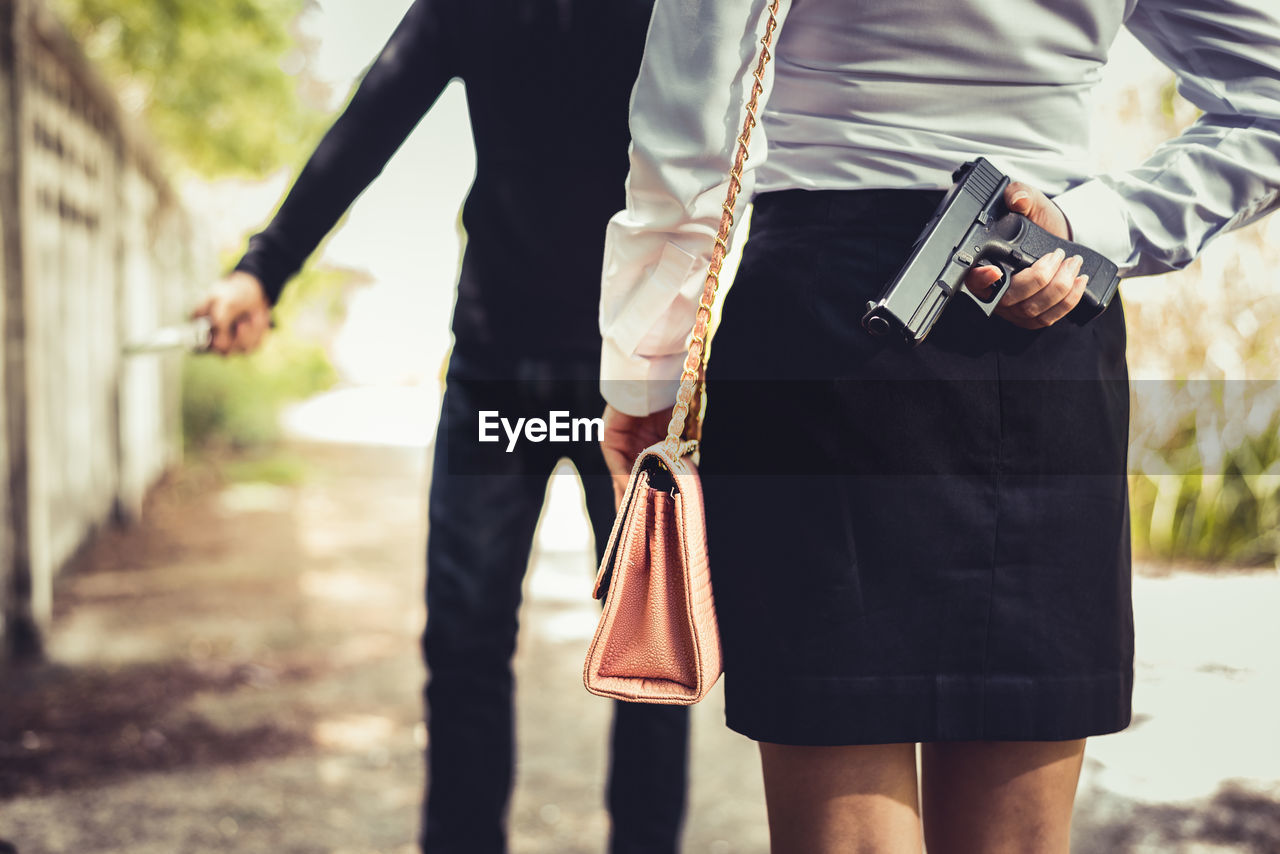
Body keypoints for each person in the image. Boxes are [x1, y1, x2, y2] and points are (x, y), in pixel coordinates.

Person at [598, 1, 1280, 852]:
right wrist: (1091, 227)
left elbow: (683, 144)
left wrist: (643, 375)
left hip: (820, 336)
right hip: (1046, 317)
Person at [194, 2, 691, 852]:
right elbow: (374, 115)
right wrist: (264, 269)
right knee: (465, 643)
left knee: (649, 655)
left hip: (636, 374)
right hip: (507, 360)